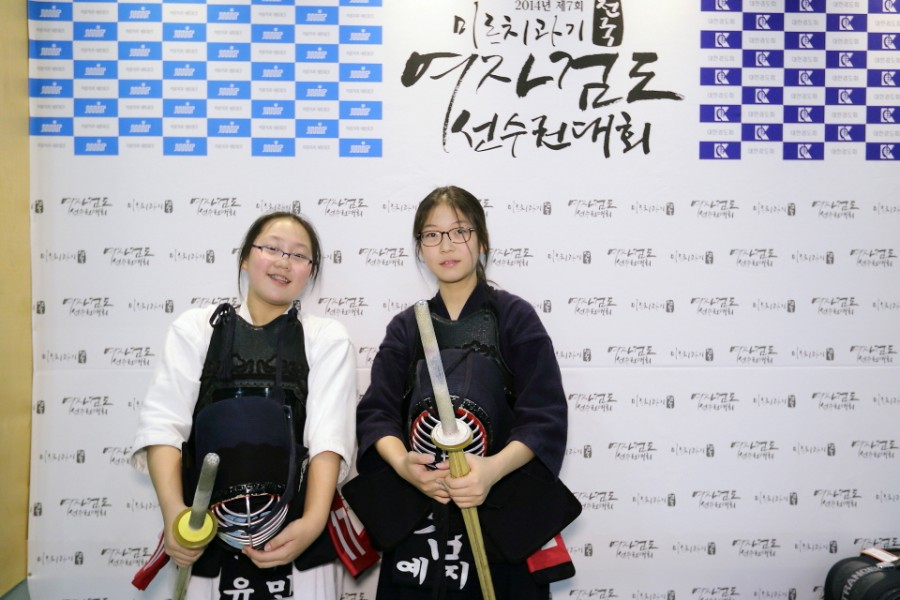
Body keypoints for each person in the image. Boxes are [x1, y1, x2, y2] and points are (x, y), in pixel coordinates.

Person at [350, 186, 576, 599]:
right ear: (420, 247)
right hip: (420, 518)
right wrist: (404, 465)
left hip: (501, 512)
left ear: (482, 240)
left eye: (460, 231)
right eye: (432, 234)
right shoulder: (406, 326)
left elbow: (543, 415)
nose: (446, 245)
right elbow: (377, 413)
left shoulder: (514, 316)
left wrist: (490, 471)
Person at [129, 212, 357, 600]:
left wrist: (313, 522)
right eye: (272, 248)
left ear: (310, 272)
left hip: (298, 534)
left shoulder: (325, 337)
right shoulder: (196, 328)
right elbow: (164, 427)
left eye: (298, 255)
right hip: (205, 535)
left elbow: (328, 437)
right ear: (246, 258)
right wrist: (174, 514)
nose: (284, 262)